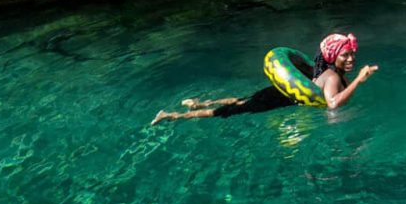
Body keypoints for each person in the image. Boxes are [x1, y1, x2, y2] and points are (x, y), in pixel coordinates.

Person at [150, 33, 379, 125]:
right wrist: (359, 79)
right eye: (345, 54)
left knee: (241, 100)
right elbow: (332, 105)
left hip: (279, 93)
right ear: (333, 56)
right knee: (229, 112)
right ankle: (171, 116)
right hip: (279, 100)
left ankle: (199, 101)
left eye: (352, 53)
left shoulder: (329, 71)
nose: (351, 58)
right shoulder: (331, 77)